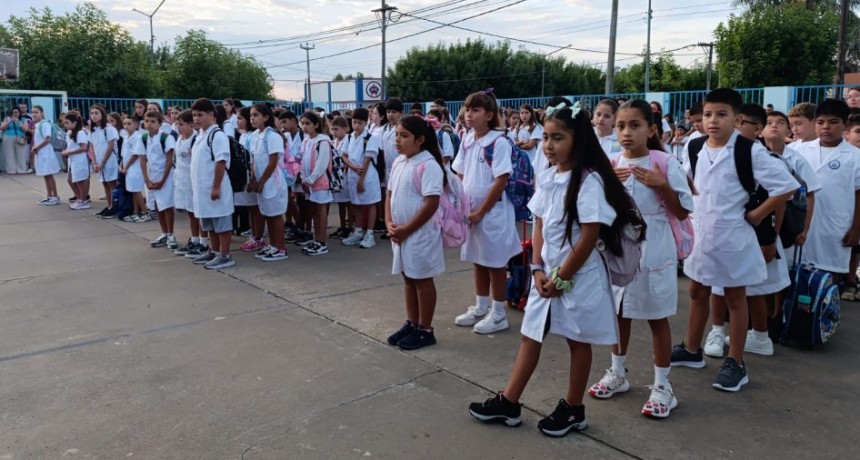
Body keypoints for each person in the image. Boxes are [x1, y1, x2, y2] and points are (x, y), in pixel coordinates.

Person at [468, 97, 638, 437]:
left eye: (558, 138)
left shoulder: (588, 181)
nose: (548, 145)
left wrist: (562, 277)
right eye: (546, 137)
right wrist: (537, 268)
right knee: (530, 335)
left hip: (579, 277)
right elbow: (540, 225)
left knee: (578, 341)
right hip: (546, 276)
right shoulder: (548, 177)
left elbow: (589, 235)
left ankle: (574, 409)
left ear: (579, 140)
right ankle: (509, 402)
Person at [670, 88, 798, 392]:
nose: (713, 120)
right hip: (701, 233)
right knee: (697, 291)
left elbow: (786, 186)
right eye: (708, 114)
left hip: (733, 236)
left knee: (735, 298)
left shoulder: (749, 150)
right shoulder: (695, 146)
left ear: (737, 119)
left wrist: (757, 214)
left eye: (721, 114)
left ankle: (735, 362)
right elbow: (689, 180)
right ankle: (692, 348)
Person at [589, 99, 693, 418]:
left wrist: (662, 186)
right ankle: (617, 372)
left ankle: (663, 386)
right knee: (619, 312)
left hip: (655, 248)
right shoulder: (611, 163)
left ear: (650, 130)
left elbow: (682, 211)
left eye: (635, 125)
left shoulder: (664, 162)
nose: (626, 132)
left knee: (656, 317)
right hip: (622, 251)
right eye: (621, 126)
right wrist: (608, 185)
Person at [707, 104, 804, 358]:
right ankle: (716, 331)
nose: (733, 127)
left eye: (740, 123)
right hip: (725, 233)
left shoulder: (767, 159)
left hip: (760, 233)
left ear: (757, 129)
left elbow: (780, 201)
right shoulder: (717, 154)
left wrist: (770, 238)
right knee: (719, 287)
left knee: (755, 290)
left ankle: (761, 336)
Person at [451, 92, 522, 334]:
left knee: (495, 263)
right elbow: (460, 173)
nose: (468, 115)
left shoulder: (499, 143)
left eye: (475, 110)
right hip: (472, 212)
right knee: (478, 259)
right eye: (467, 109)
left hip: (493, 214)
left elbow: (500, 180)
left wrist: (481, 211)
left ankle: (499, 313)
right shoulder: (468, 139)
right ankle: (481, 307)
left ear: (489, 115)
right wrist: (462, 204)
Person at [385, 115, 446, 350]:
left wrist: (407, 229)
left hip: (419, 233)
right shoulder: (399, 162)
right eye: (396, 135)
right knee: (408, 277)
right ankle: (411, 323)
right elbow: (390, 194)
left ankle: (425, 330)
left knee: (422, 278)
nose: (397, 140)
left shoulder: (428, 165)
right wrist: (389, 222)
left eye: (404, 136)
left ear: (420, 140)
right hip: (400, 233)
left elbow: (431, 203)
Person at [797, 99, 860, 285]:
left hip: (836, 226)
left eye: (833, 122)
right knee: (796, 275)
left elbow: (859, 194)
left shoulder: (855, 156)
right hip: (801, 226)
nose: (826, 127)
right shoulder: (798, 150)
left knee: (829, 278)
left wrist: (856, 229)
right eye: (820, 122)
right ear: (814, 123)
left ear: (845, 125)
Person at [190, 98, 236, 270]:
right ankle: (214, 251)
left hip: (215, 188)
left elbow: (221, 162)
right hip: (202, 189)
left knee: (221, 222)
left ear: (211, 115)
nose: (196, 118)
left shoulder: (218, 136)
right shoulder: (201, 135)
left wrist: (216, 187)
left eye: (200, 115)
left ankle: (225, 255)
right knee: (209, 222)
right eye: (194, 115)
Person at [248, 103, 289, 262]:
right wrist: (253, 178)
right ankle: (273, 245)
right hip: (262, 182)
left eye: (256, 115)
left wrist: (262, 181)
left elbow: (273, 162)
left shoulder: (273, 136)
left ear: (266, 117)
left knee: (275, 215)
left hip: (272, 182)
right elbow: (254, 159)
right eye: (251, 115)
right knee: (267, 215)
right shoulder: (256, 135)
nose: (252, 118)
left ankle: (281, 248)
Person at [137, 110, 178, 250]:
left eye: (153, 121)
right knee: (156, 206)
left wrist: (163, 180)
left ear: (160, 124)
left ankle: (171, 234)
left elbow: (169, 160)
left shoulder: (166, 137)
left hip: (165, 177)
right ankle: (164, 233)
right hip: (151, 177)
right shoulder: (143, 138)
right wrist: (146, 180)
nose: (149, 124)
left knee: (166, 205)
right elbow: (142, 159)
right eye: (147, 121)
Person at [342, 108, 381, 249]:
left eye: (360, 123)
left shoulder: (370, 138)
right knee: (356, 204)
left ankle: (370, 234)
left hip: (367, 176)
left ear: (365, 123)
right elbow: (344, 156)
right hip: (352, 174)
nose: (357, 125)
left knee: (370, 203)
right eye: (354, 122)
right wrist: (352, 167)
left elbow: (367, 161)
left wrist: (361, 180)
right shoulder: (349, 137)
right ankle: (358, 232)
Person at [171, 109, 208, 258]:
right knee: (191, 213)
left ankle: (204, 243)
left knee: (199, 214)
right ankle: (194, 239)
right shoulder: (179, 139)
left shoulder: (195, 139)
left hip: (194, 183)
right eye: (177, 124)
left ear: (191, 125)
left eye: (181, 124)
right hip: (183, 183)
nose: (178, 127)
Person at [299, 110, 333, 256]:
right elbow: (302, 160)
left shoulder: (323, 141)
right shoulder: (306, 141)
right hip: (309, 182)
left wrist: (311, 179)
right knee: (313, 210)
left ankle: (322, 242)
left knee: (320, 210)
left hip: (320, 182)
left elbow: (322, 164)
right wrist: (303, 178)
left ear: (316, 125)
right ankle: (316, 239)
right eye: (302, 123)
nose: (304, 127)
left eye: (308, 123)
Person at [89, 105, 120, 219]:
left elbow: (110, 146)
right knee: (105, 183)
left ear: (102, 114)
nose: (94, 116)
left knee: (112, 184)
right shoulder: (92, 130)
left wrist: (102, 162)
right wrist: (94, 162)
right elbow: (92, 147)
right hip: (98, 162)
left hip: (109, 161)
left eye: (96, 113)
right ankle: (109, 205)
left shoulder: (109, 128)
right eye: (92, 113)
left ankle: (115, 207)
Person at [30, 105, 62, 205]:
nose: (34, 114)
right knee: (45, 175)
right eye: (33, 112)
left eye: (36, 112)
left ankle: (55, 196)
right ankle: (49, 196)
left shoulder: (45, 124)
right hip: (41, 153)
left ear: (42, 113)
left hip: (46, 153)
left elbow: (47, 139)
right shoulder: (38, 125)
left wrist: (36, 148)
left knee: (49, 175)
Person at [329, 116, 354, 239]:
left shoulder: (349, 140)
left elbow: (348, 157)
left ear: (345, 128)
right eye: (332, 129)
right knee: (340, 203)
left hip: (346, 175)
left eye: (336, 129)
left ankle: (350, 227)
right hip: (337, 176)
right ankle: (342, 226)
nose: (334, 132)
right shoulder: (333, 142)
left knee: (348, 203)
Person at [120, 117, 149, 223]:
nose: (126, 126)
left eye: (129, 124)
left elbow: (135, 154)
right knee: (132, 190)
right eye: (125, 124)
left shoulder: (138, 137)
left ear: (136, 125)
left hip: (135, 167)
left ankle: (144, 212)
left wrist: (126, 167)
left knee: (136, 190)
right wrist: (121, 165)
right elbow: (124, 154)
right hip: (127, 167)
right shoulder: (125, 137)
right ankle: (135, 211)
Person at [61, 112, 91, 209]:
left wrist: (68, 152)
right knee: (71, 180)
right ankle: (79, 198)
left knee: (80, 181)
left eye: (67, 122)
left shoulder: (80, 133)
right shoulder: (72, 133)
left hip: (79, 160)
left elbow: (84, 148)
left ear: (74, 123)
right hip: (73, 160)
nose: (65, 124)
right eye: (64, 122)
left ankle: (83, 200)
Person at [1, 107, 30, 174]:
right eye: (13, 112)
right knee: (9, 154)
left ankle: (21, 169)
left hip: (20, 138)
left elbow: (25, 130)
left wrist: (19, 122)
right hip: (9, 137)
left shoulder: (23, 119)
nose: (15, 113)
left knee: (21, 155)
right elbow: (2, 128)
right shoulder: (7, 119)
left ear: (19, 113)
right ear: (11, 113)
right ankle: (11, 170)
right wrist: (9, 122)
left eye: (17, 112)